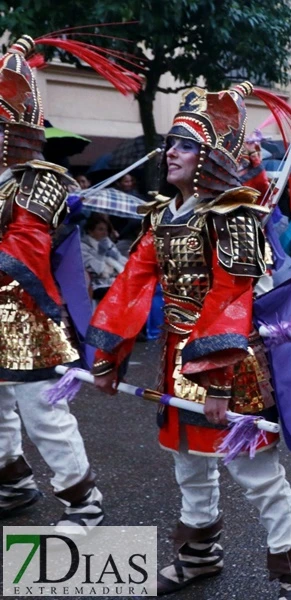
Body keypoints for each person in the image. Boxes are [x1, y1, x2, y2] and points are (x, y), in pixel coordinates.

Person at [87, 82, 291, 599]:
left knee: (257, 477)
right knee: (189, 464)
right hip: (175, 356)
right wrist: (108, 356)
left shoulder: (235, 217)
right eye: (171, 141)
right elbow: (131, 285)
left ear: (210, 156)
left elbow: (230, 298)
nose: (171, 151)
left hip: (229, 361)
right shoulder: (162, 217)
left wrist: (218, 381)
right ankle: (199, 557)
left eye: (186, 143)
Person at [0, 35, 120, 534]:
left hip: (27, 315)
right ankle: (13, 482)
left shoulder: (41, 180)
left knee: (43, 415)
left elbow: (25, 249)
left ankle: (84, 501)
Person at [81, 212, 127, 300]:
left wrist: (116, 256)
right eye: (100, 229)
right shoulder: (83, 246)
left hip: (115, 284)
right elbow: (97, 269)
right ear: (90, 231)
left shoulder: (108, 243)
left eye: (106, 230)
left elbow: (124, 265)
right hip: (97, 288)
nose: (104, 233)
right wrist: (100, 254)